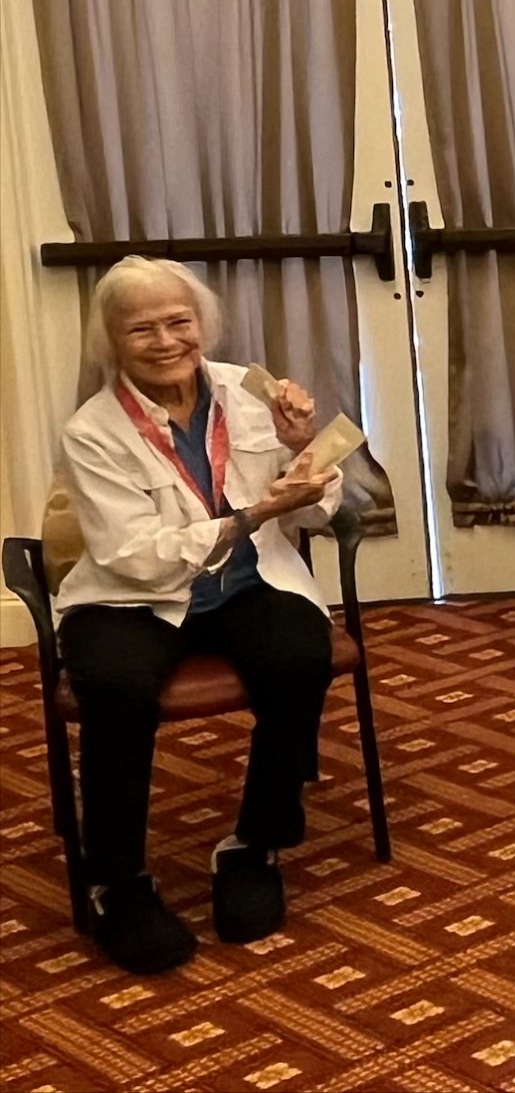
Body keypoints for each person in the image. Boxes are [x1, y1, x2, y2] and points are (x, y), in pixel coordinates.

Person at [53, 256, 344, 973]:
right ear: (111, 341)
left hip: (244, 585)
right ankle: (118, 883)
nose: (164, 341)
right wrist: (251, 515)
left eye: (179, 321)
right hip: (134, 598)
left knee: (299, 654)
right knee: (116, 690)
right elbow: (132, 556)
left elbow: (322, 499)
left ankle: (254, 845)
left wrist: (302, 446)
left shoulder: (250, 389)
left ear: (203, 323)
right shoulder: (92, 431)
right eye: (140, 328)